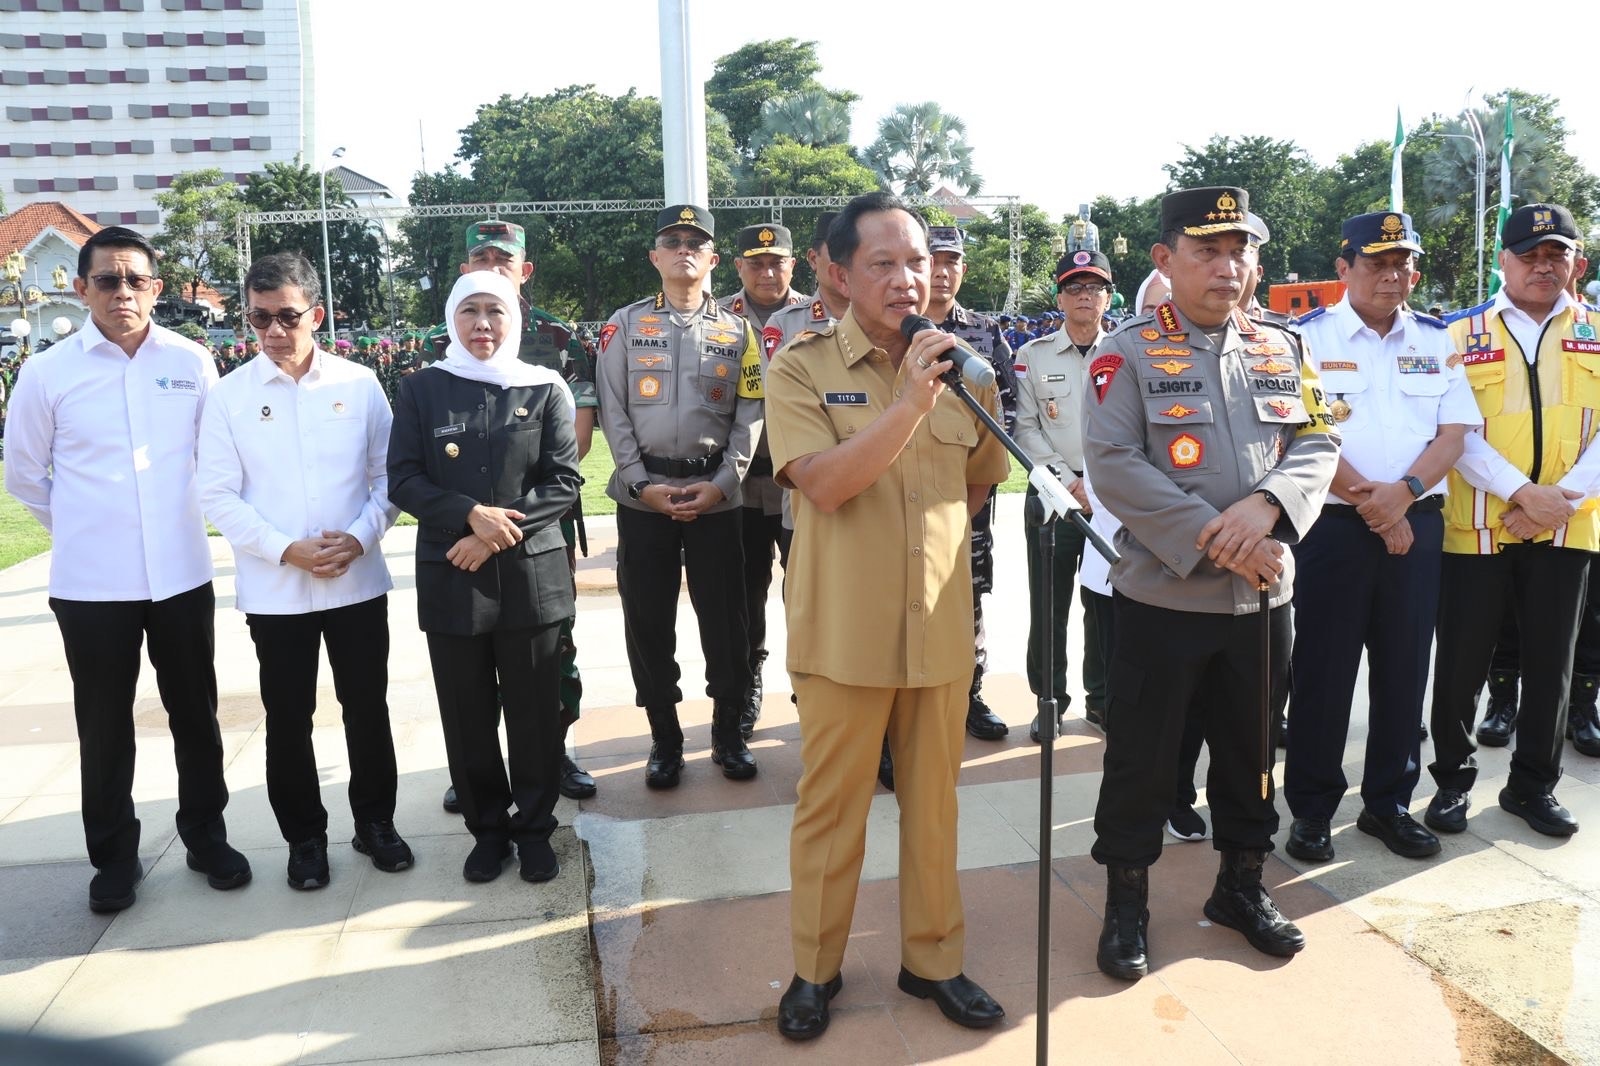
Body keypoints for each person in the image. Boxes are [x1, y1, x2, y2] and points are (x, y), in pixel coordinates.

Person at [766, 192, 1010, 1041]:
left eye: (917, 261)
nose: (910, 279)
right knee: (832, 811)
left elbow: (982, 481)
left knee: (935, 806)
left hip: (938, 628)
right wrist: (907, 404)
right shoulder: (797, 367)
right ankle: (815, 970)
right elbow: (823, 484)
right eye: (883, 263)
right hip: (844, 633)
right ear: (834, 273)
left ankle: (933, 961)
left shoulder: (965, 370)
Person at [1084, 187, 1339, 981]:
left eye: (1242, 251)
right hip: (1166, 599)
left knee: (1251, 748)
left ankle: (1242, 886)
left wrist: (1268, 507)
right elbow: (1115, 465)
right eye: (1208, 251)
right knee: (1143, 758)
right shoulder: (1123, 353)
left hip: (1263, 601)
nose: (1230, 267)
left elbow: (1319, 437)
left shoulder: (1281, 347)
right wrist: (1218, 540)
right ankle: (1127, 901)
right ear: (1165, 260)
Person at [3, 226, 251, 912]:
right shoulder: (46, 373)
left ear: (156, 289)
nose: (121, 293)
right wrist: (84, 530)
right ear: (80, 289)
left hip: (179, 573)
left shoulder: (193, 361)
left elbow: (217, 458)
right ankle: (113, 857)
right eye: (106, 280)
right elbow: (25, 475)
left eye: (135, 280)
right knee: (104, 724)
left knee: (195, 715)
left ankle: (206, 837)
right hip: (90, 584)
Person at [197, 252, 410, 890]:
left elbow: (389, 478)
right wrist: (285, 549)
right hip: (275, 587)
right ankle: (304, 839)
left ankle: (375, 823)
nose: (272, 331)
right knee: (287, 716)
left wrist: (361, 536)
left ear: (316, 314)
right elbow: (217, 494)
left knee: (366, 708)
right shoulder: (229, 396)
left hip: (356, 579)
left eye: (287, 316)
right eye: (259, 318)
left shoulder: (359, 383)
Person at [1281, 212, 1478, 865]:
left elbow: (1454, 432)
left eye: (1403, 264)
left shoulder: (1437, 338)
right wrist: (1376, 504)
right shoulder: (1304, 338)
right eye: (1377, 263)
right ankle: (1310, 809)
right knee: (1323, 672)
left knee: (1403, 671)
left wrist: (1405, 496)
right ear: (1344, 269)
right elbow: (1302, 433)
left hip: (1415, 522)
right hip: (1333, 528)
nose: (1393, 276)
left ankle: (1388, 803)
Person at [387, 270, 580, 883]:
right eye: (469, 311)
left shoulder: (545, 387)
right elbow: (405, 478)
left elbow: (563, 482)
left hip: (531, 577)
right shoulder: (422, 389)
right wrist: (467, 516)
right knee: (467, 717)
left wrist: (491, 532)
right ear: (450, 318)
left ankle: (535, 830)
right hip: (454, 573)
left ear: (514, 318)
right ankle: (488, 832)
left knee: (534, 713)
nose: (482, 325)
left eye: (494, 311)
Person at [1426, 203, 1598, 840]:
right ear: (1503, 260)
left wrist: (1561, 499)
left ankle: (1533, 786)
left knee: (1553, 662)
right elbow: (1453, 434)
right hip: (1474, 525)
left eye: (1556, 254)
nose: (1543, 266)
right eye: (1529, 254)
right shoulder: (1455, 334)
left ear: (1574, 262)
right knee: (1463, 663)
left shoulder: (1597, 330)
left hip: (1567, 525)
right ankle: (1451, 781)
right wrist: (1523, 493)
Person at [429, 220, 599, 809]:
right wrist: (475, 516)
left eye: (504, 260)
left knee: (552, 658)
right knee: (471, 673)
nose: (491, 266)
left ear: (525, 270)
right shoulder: (441, 345)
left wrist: (509, 520)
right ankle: (477, 773)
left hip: (538, 529)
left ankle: (555, 755)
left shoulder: (556, 336)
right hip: (466, 534)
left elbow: (575, 440)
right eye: (479, 255)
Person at [596, 205, 763, 787]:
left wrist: (722, 485)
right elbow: (613, 409)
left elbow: (750, 413)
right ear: (656, 257)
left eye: (696, 242)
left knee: (727, 622)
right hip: (645, 499)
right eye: (673, 241)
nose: (684, 249)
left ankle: (726, 735)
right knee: (648, 621)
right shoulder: (624, 325)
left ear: (714, 259)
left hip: (715, 495)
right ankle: (664, 739)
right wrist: (641, 483)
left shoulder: (739, 331)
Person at [1012, 248, 1114, 742]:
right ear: (1059, 296)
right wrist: (1066, 482)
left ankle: (1101, 700)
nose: (1085, 296)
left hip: (1112, 498)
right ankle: (1049, 701)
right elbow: (1025, 429)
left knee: (1105, 603)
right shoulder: (1031, 356)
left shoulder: (1126, 353)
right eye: (1075, 287)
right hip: (1054, 497)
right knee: (1048, 605)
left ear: (1108, 296)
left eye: (1094, 287)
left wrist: (1096, 485)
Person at [925, 225, 1018, 740]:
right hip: (908, 489)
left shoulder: (985, 332)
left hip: (970, 492)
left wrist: (973, 492)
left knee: (968, 592)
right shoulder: (893, 329)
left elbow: (1008, 412)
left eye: (951, 262)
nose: (941, 271)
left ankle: (969, 694)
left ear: (963, 269)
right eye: (933, 260)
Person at [721, 223, 803, 738]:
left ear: (793, 265)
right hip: (743, 481)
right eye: (756, 263)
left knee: (811, 592)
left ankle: (813, 689)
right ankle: (748, 685)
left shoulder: (823, 314)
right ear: (738, 268)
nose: (768, 272)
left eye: (777, 262)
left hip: (807, 481)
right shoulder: (716, 318)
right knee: (745, 594)